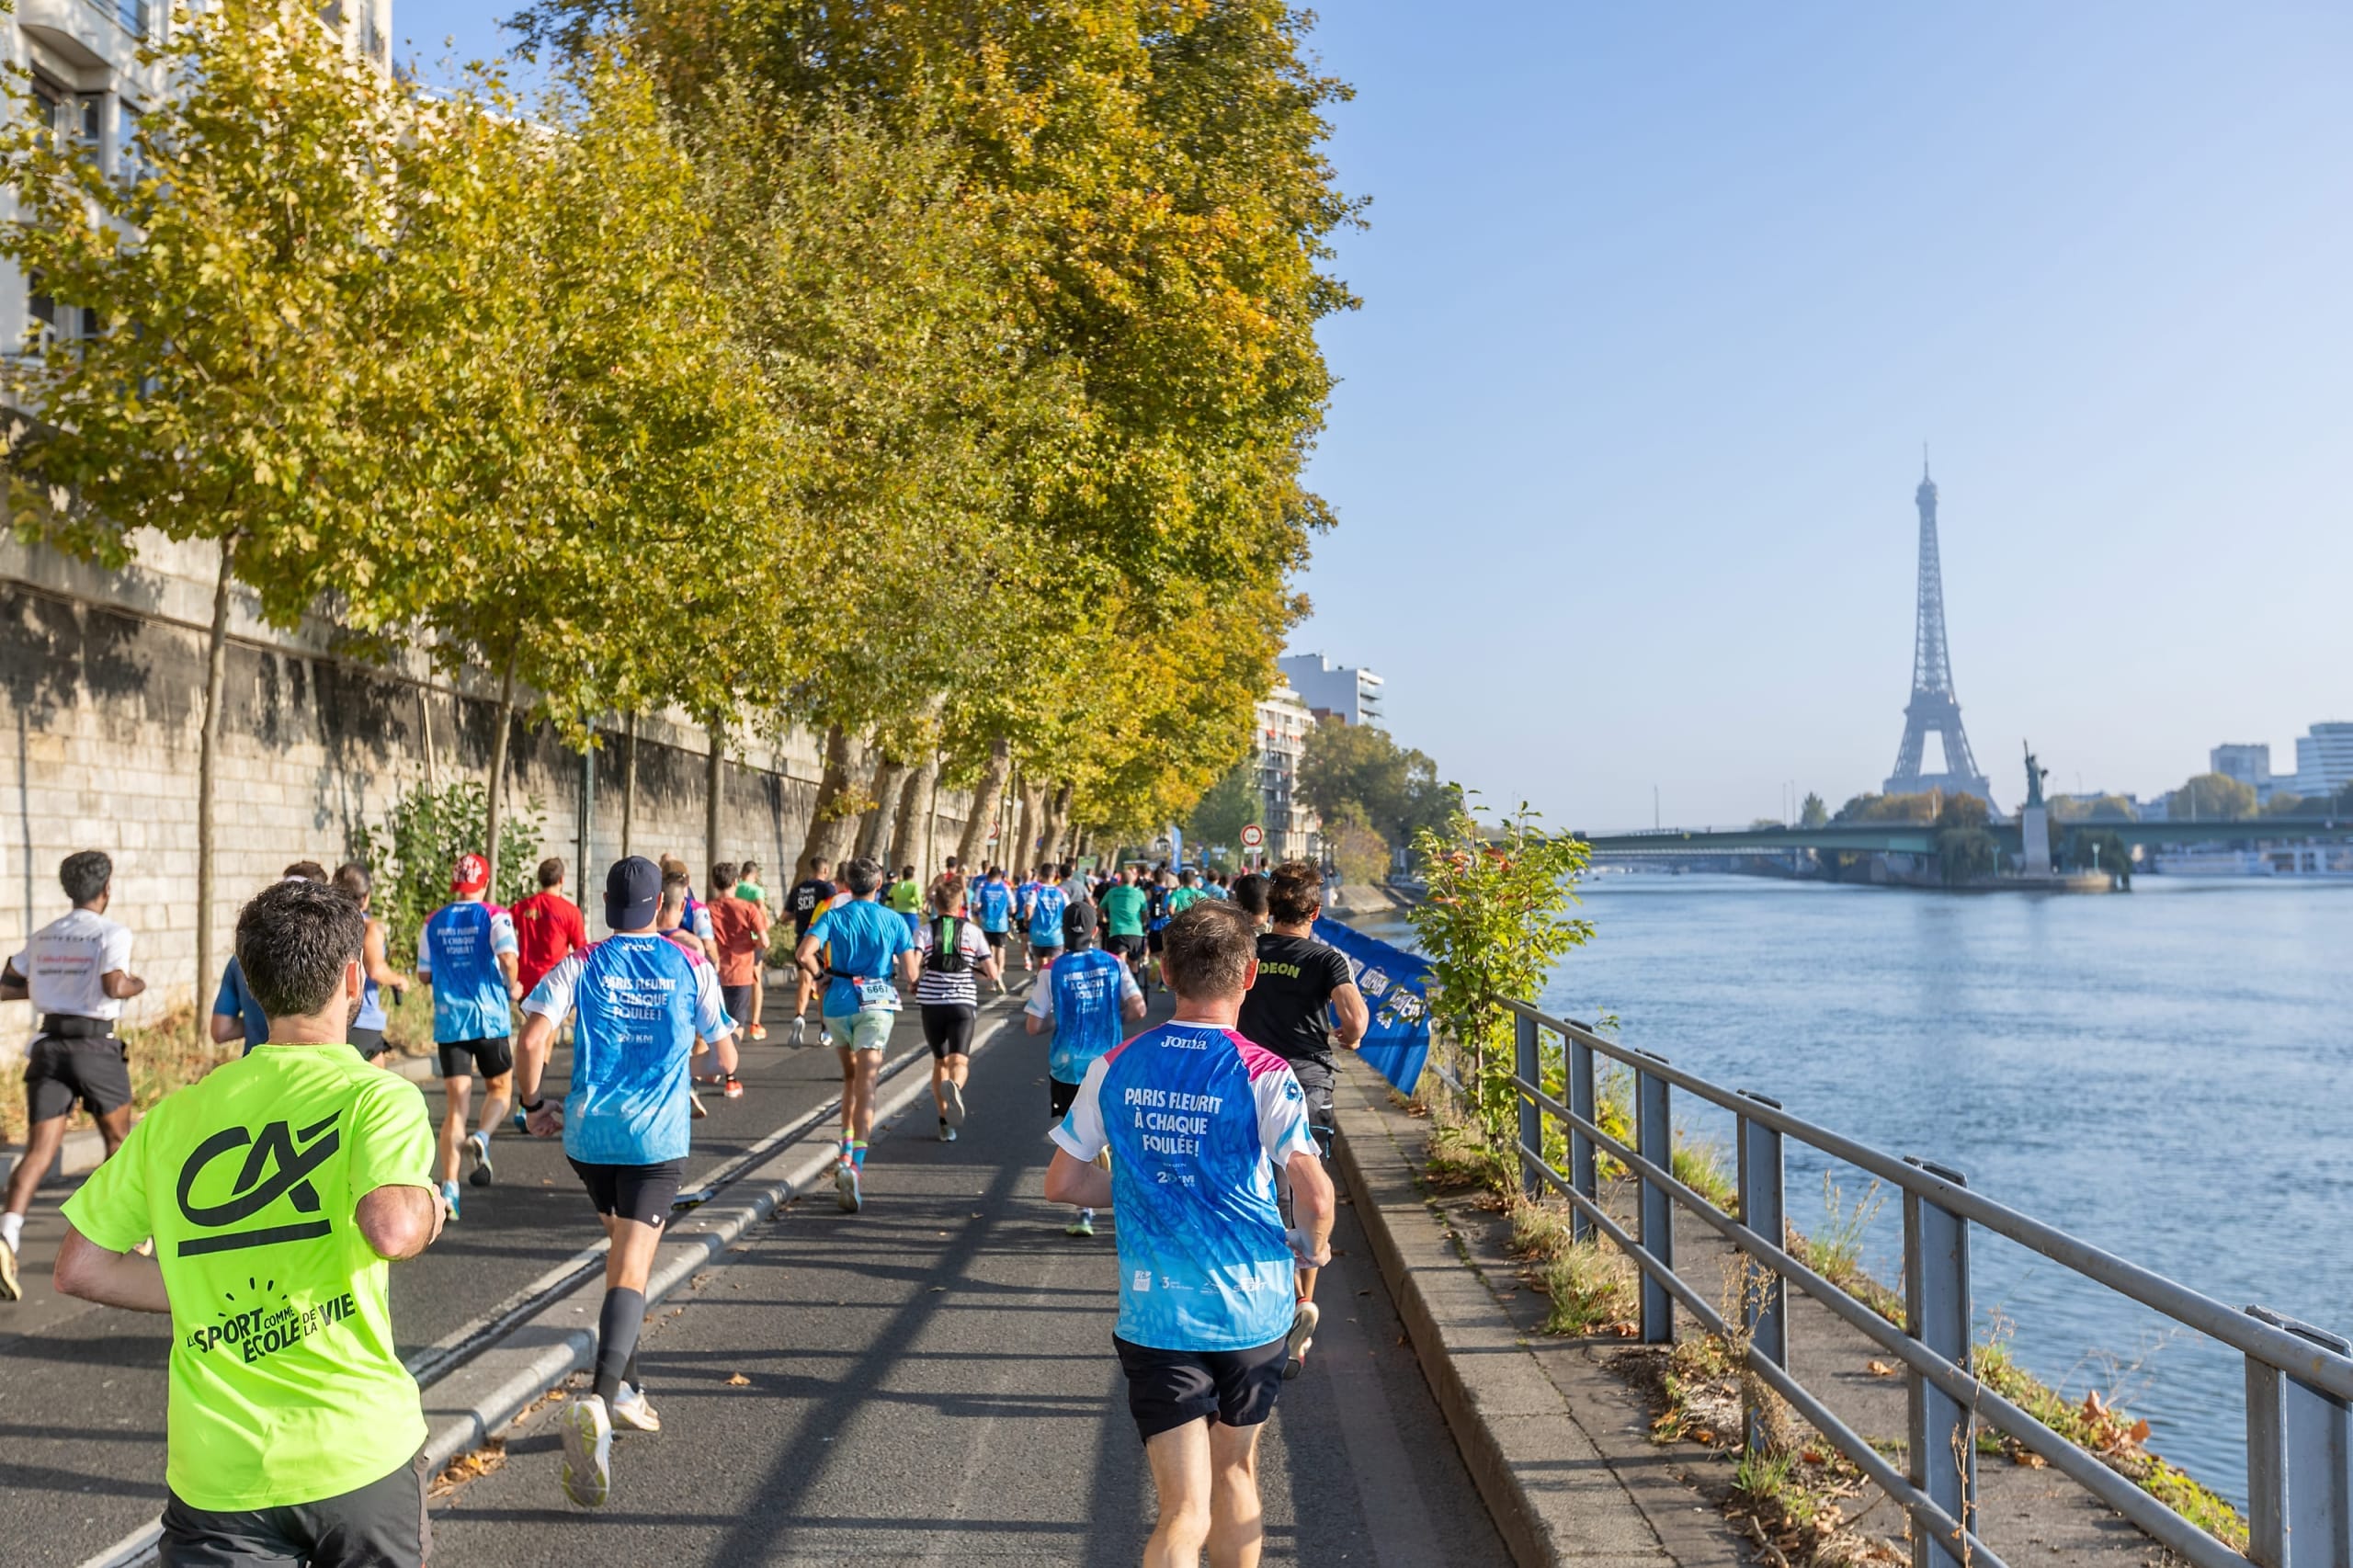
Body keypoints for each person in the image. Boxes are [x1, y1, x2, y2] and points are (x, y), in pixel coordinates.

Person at [56, 877, 444, 1565]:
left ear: (254, 989)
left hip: (218, 1474)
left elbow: (80, 1266)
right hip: (354, 1456)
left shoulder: (176, 1115)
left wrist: (203, 1283)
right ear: (353, 980)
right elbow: (393, 1229)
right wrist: (432, 1209)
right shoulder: (375, 1096)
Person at [1042, 903, 1334, 1568]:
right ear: (1250, 975)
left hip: (1157, 1313)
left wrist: (1142, 1194)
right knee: (1236, 1475)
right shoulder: (1264, 1071)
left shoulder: (1115, 1064)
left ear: (1165, 971)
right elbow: (1315, 1194)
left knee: (1182, 1510)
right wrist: (1310, 1249)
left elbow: (1062, 1185)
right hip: (1253, 1309)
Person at [516, 857, 733, 1507]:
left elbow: (532, 1040)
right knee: (633, 1272)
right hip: (654, 1142)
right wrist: (707, 1059)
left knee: (619, 1260)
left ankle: (630, 1391)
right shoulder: (690, 964)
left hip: (588, 1137)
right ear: (662, 909)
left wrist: (533, 1108)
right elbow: (725, 1054)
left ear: (607, 903)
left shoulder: (582, 960)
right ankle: (601, 1407)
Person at [1233, 861, 1370, 1378]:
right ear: (1314, 911)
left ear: (1271, 910)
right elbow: (1355, 1020)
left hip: (1248, 1080)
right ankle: (1301, 1310)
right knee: (1308, 1189)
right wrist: (1349, 1037)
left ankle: (1284, 1301)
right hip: (1307, 1084)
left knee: (1259, 1190)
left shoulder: (1247, 951)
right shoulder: (1326, 959)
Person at [0, 850, 145, 1302]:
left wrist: (47, 984)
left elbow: (7, 984)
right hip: (96, 1048)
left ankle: (7, 1236)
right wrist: (137, 984)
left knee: (39, 1151)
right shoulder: (112, 933)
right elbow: (112, 985)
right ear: (107, 889)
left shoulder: (43, 936)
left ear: (68, 890)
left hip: (49, 1048)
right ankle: (125, 1234)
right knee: (119, 1144)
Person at [794, 858, 918, 1213]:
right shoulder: (894, 921)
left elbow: (804, 953)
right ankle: (855, 1166)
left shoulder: (833, 915)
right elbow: (911, 973)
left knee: (849, 1078)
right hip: (876, 1004)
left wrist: (819, 976)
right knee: (867, 1085)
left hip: (838, 1002)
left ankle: (844, 1148)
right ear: (879, 884)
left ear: (846, 885)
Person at [1026, 901, 1143, 1237]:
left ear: (1063, 932)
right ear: (1096, 931)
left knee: (1077, 1139)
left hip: (1067, 1067)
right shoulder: (1114, 964)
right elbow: (1138, 1008)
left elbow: (1033, 1025)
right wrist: (1110, 1018)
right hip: (1109, 1064)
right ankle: (1130, 1208)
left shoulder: (1052, 970)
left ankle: (1084, 1212)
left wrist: (1060, 1018)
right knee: (1118, 1134)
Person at [416, 853, 520, 1220]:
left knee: (455, 1107)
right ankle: (485, 1137)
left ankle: (450, 1187)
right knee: (500, 1091)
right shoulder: (495, 916)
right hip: (490, 1018)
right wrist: (515, 984)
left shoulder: (433, 921)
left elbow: (424, 976)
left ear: (454, 883)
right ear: (485, 883)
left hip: (450, 1023)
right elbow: (508, 956)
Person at [914, 874, 999, 1142]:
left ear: (935, 905)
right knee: (960, 1060)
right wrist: (978, 976)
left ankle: (944, 1123)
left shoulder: (924, 932)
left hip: (931, 1005)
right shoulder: (973, 932)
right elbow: (992, 972)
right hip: (962, 1004)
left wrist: (915, 982)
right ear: (960, 904)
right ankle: (957, 1087)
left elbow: (913, 967)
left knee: (939, 1062)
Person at [212, 862, 329, 1052]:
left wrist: (255, 1023)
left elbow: (220, 1030)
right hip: (307, 1072)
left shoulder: (239, 960)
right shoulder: (325, 959)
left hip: (254, 1072)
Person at [704, 862, 768, 1098]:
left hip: (714, 971)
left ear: (714, 884)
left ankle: (714, 1064)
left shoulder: (705, 910)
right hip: (741, 971)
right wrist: (752, 947)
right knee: (737, 1024)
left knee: (715, 1022)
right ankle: (731, 1077)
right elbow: (765, 940)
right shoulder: (748, 908)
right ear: (735, 883)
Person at [334, 863, 408, 1062]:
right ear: (365, 897)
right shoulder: (368, 927)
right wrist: (399, 980)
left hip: (334, 1018)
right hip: (362, 1017)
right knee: (376, 1089)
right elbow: (375, 969)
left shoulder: (328, 924)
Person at [510, 858, 588, 1003]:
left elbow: (502, 931)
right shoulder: (570, 912)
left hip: (526, 985)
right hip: (555, 983)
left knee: (530, 1025)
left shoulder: (521, 907)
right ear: (561, 879)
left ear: (540, 879)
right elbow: (582, 951)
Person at [783, 856, 836, 1045]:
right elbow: (832, 908)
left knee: (804, 981)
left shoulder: (798, 889)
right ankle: (824, 1030)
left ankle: (799, 1016)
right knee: (822, 984)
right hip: (820, 940)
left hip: (801, 938)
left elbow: (785, 915)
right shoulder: (827, 889)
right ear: (825, 870)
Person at [733, 860, 770, 1040]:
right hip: (754, 939)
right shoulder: (757, 890)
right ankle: (755, 1024)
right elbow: (761, 907)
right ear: (755, 875)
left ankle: (733, 1021)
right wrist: (764, 926)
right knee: (756, 982)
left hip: (736, 939)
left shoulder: (735, 888)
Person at [1100, 865, 1151, 988]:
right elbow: (1144, 914)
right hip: (1135, 932)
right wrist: (1144, 923)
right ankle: (1134, 988)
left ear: (1120, 881)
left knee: (1119, 963)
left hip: (1117, 931)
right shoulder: (1139, 894)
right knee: (1134, 964)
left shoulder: (1111, 893)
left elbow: (1100, 909)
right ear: (1133, 881)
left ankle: (1120, 991)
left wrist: (1104, 920)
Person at [969, 866, 1015, 996]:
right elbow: (1013, 907)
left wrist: (978, 910)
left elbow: (976, 906)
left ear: (988, 876)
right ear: (1000, 876)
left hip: (986, 923)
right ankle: (998, 975)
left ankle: (992, 980)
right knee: (1000, 950)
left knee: (988, 953)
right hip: (1001, 924)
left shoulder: (982, 887)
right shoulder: (1005, 887)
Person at [1028, 871, 1070, 972]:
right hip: (1057, 934)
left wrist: (1027, 920)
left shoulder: (1035, 891)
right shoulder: (1061, 892)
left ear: (1041, 875)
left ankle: (1041, 983)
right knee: (1055, 963)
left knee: (1041, 963)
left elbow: (1028, 909)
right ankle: (1053, 985)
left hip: (1038, 934)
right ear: (1055, 876)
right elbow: (1069, 910)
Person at [1014, 867, 1045, 972]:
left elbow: (1015, 904)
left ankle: (1027, 960)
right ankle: (1034, 958)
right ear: (1032, 876)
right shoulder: (1037, 887)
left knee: (1024, 940)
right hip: (1034, 916)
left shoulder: (1018, 889)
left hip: (1021, 916)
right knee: (1034, 939)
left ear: (1022, 877)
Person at [886, 864, 925, 938]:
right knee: (914, 936)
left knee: (898, 935)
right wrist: (919, 906)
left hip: (897, 913)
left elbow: (889, 902)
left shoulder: (895, 886)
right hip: (911, 914)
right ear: (913, 875)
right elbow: (918, 901)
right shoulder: (914, 886)